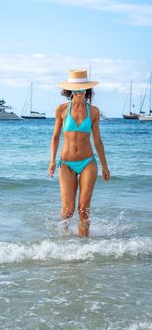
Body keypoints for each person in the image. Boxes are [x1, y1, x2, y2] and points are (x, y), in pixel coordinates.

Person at [48, 69, 110, 237]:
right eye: (75, 88)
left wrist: (105, 166)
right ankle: (64, 234)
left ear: (87, 89)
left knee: (83, 209)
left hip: (88, 163)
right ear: (70, 90)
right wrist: (52, 161)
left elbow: (97, 141)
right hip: (66, 164)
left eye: (82, 87)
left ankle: (83, 248)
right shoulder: (61, 110)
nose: (79, 91)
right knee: (68, 210)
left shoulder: (94, 112)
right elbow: (55, 137)